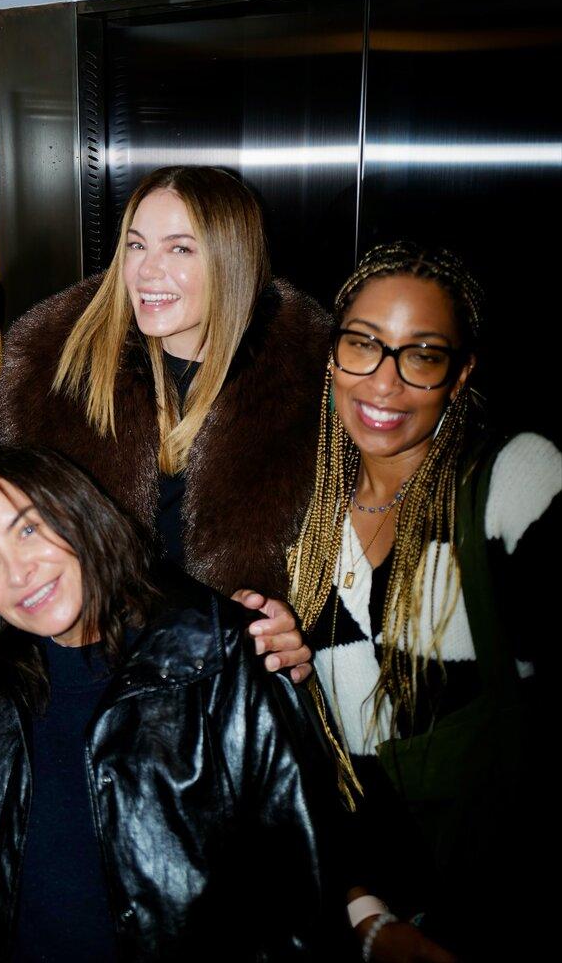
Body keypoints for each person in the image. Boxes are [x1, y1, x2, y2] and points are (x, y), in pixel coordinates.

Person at [0, 444, 336, 961]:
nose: (17, 574)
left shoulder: (221, 655)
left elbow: (303, 895)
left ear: (77, 510)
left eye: (28, 530)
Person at [287, 242, 561, 961]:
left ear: (460, 372)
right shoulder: (300, 515)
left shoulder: (514, 481)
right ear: (332, 355)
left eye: (423, 355)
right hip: (357, 916)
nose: (384, 382)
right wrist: (364, 915)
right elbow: (302, 758)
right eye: (363, 344)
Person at [0, 166, 329, 618]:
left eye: (180, 248)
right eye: (136, 245)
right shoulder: (55, 370)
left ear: (231, 260)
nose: (147, 270)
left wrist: (279, 621)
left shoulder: (309, 386)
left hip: (221, 652)